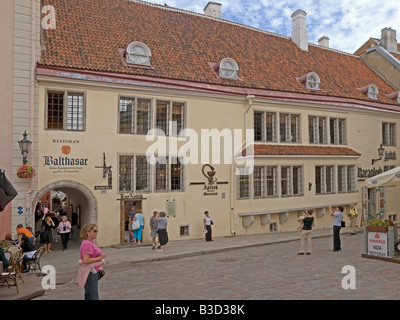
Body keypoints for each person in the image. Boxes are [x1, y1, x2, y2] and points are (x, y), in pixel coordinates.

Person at [77, 224, 106, 300]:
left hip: (94, 271)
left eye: (97, 231)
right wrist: (100, 257)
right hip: (90, 272)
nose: (96, 233)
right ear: (87, 232)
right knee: (92, 296)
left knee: (91, 294)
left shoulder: (91, 242)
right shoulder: (87, 244)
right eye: (94, 231)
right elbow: (86, 260)